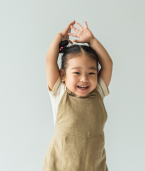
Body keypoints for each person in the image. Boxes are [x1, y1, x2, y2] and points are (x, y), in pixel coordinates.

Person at [43, 20, 113, 171]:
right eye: (76, 73)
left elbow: (108, 64)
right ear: (62, 75)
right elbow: (50, 61)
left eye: (91, 73)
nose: (84, 79)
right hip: (62, 165)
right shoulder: (60, 93)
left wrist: (92, 41)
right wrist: (58, 38)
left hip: (94, 165)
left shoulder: (98, 92)